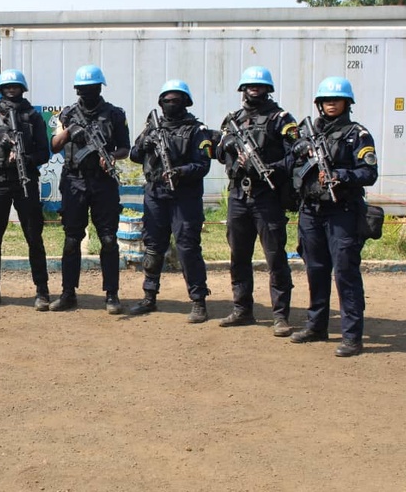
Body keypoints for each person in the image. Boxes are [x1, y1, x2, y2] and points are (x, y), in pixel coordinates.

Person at [289, 77, 377, 357]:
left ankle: (352, 336)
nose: (330, 104)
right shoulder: (309, 134)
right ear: (319, 104)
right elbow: (293, 166)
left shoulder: (357, 135)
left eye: (336, 100)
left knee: (345, 273)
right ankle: (316, 326)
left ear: (346, 103)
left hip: (342, 212)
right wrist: (298, 151)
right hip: (311, 211)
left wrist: (341, 175)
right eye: (326, 100)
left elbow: (369, 173)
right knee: (315, 269)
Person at [215, 66, 298, 336]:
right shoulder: (233, 120)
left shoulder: (280, 118)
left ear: (267, 89)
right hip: (239, 194)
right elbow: (218, 151)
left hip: (267, 196)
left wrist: (273, 168)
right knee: (238, 255)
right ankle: (242, 309)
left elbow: (295, 153)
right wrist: (228, 149)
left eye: (259, 86)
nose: (254, 89)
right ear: (243, 88)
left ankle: (280, 316)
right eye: (250, 85)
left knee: (275, 258)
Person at [0, 69, 51, 310]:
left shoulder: (33, 115)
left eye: (15, 86)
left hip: (25, 182)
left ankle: (42, 290)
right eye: (7, 86)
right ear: (1, 89)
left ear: (22, 89)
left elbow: (45, 153)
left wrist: (25, 156)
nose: (11, 90)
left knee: (34, 236)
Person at [128, 80, 212, 323]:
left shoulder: (197, 130)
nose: (171, 104)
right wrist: (144, 144)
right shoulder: (151, 129)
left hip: (184, 196)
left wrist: (182, 171)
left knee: (187, 248)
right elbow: (134, 155)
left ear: (186, 102)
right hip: (155, 193)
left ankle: (198, 300)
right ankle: (149, 296)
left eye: (176, 99)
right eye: (167, 100)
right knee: (153, 247)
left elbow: (203, 165)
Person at [49, 65, 130, 313]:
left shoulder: (114, 114)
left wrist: (112, 157)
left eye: (92, 88)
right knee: (72, 240)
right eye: (83, 89)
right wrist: (69, 132)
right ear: (77, 90)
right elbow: (54, 145)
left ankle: (112, 294)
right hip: (74, 181)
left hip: (103, 182)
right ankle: (67, 293)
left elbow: (125, 148)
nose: (87, 93)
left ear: (100, 88)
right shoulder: (67, 114)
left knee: (108, 239)